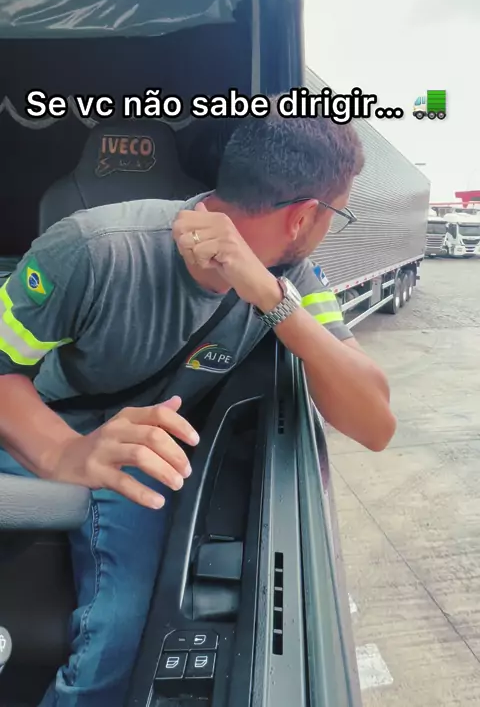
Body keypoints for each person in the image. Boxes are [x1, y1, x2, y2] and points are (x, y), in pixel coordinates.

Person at [0, 108, 396, 706]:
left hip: (144, 460)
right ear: (303, 216)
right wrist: (67, 452)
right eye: (335, 214)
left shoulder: (293, 278)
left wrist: (270, 297)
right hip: (45, 432)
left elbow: (374, 423)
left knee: (119, 645)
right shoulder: (96, 247)